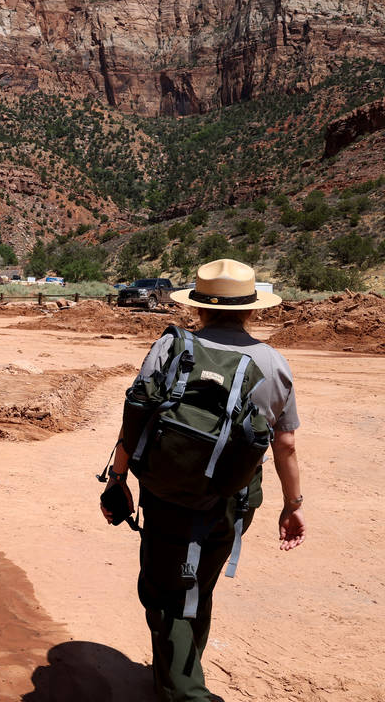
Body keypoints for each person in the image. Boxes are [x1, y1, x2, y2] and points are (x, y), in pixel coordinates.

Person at [101, 259, 306, 702]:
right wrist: (293, 505)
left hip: (167, 494)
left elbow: (135, 418)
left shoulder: (170, 348)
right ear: (252, 309)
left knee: (165, 593)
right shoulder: (273, 363)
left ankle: (186, 691)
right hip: (233, 499)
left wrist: (118, 478)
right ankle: (173, 676)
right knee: (197, 585)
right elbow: (284, 445)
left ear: (198, 306)